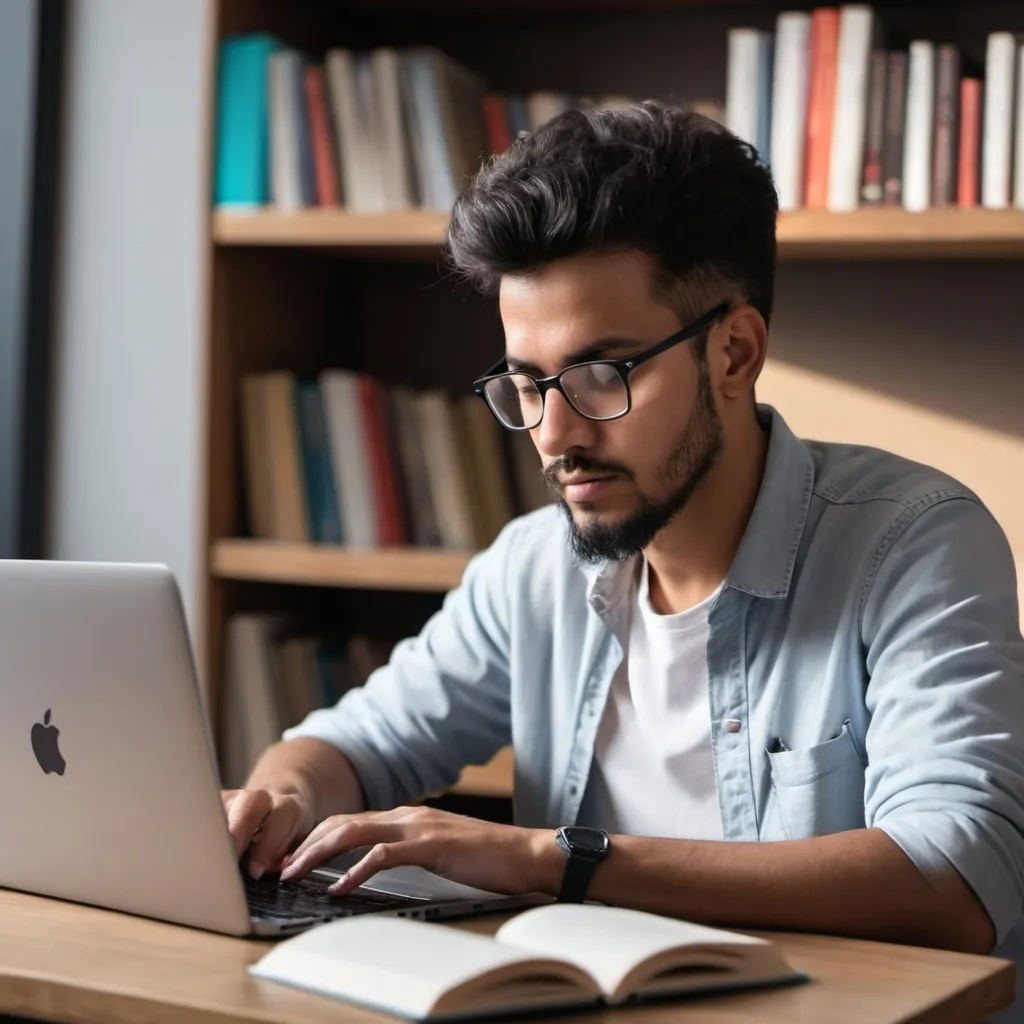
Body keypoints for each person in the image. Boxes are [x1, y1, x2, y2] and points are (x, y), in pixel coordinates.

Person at [224, 101, 1024, 991]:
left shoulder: (913, 543)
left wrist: (551, 859)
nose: (552, 433)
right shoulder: (534, 569)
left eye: (599, 375)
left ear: (734, 352)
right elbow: (354, 745)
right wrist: (284, 801)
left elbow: (955, 879)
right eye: (525, 384)